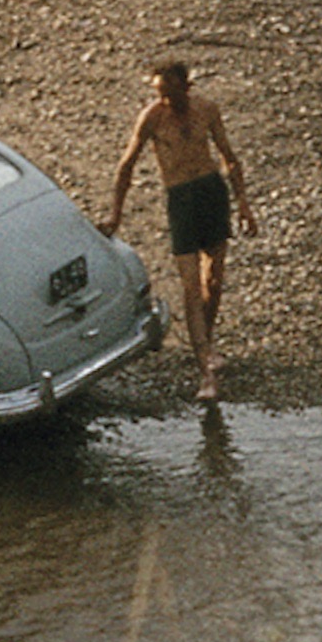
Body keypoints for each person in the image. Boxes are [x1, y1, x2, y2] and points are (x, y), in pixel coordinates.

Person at [99, 59, 258, 402]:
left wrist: (243, 203)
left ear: (187, 87)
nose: (165, 100)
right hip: (181, 199)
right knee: (189, 286)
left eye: (171, 92)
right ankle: (206, 371)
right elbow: (126, 166)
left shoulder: (207, 109)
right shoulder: (152, 117)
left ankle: (207, 343)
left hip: (211, 191)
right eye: (159, 93)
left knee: (212, 278)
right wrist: (115, 215)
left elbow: (229, 157)